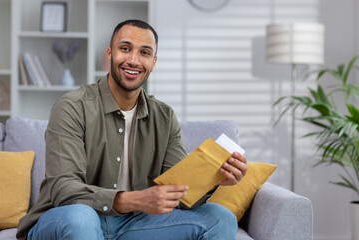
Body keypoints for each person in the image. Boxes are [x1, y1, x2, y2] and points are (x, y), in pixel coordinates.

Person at [17, 19, 248, 240]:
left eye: (145, 53)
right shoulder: (71, 107)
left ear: (153, 63)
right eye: (125, 48)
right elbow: (64, 191)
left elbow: (178, 191)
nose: (134, 60)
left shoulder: (164, 117)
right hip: (66, 220)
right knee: (82, 218)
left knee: (222, 218)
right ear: (110, 54)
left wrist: (212, 180)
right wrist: (136, 200)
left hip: (133, 225)